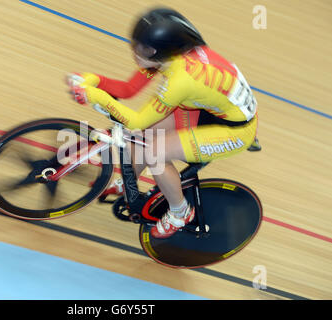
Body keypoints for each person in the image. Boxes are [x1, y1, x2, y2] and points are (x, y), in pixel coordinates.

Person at [67, 7, 259, 239]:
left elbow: (135, 120)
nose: (135, 53)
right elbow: (128, 90)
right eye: (136, 45)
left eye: (143, 49)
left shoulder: (181, 80)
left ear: (161, 51)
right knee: (146, 134)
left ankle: (180, 212)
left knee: (155, 152)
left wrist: (95, 96)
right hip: (211, 112)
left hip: (234, 132)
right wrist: (93, 80)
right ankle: (128, 181)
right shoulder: (169, 55)